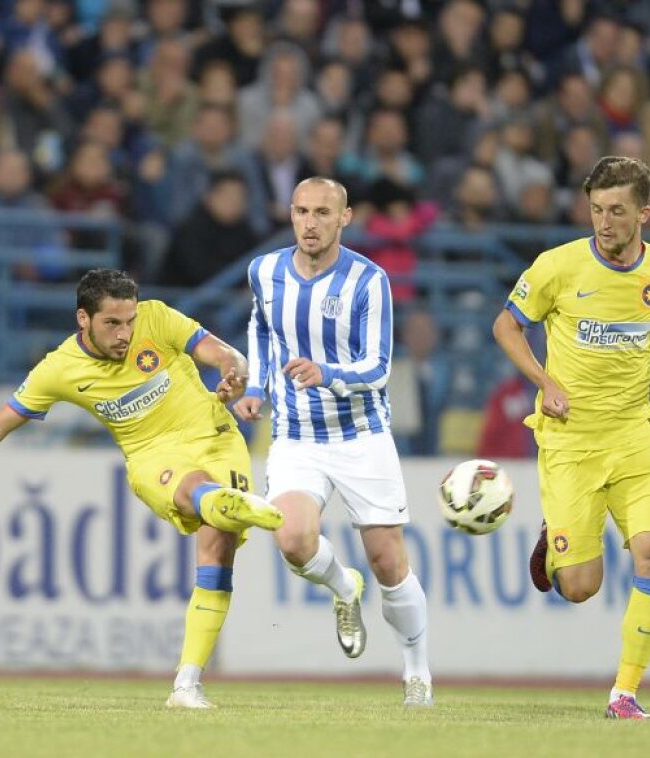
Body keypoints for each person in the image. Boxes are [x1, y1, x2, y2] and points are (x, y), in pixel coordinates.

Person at [0, 269, 284, 710]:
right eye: (112, 323)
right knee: (204, 502)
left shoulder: (158, 318)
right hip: (151, 455)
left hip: (214, 435)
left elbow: (224, 354)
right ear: (83, 319)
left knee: (219, 543)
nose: (125, 332)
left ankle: (187, 683)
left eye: (129, 321)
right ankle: (227, 513)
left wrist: (233, 371)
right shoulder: (59, 369)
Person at [492, 157, 650, 720]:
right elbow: (506, 325)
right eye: (595, 210)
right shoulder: (558, 267)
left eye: (615, 211)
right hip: (569, 442)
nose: (603, 222)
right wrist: (544, 380)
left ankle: (625, 692)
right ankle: (554, 538)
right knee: (581, 587)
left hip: (636, 435)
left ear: (644, 213)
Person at [232, 177, 434, 707]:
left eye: (323, 212)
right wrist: (257, 386)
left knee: (389, 562)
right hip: (296, 436)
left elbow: (379, 367)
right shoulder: (265, 270)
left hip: (361, 435)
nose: (310, 222)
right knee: (293, 540)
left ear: (345, 218)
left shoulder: (370, 280)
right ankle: (344, 588)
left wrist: (327, 373)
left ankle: (417, 673)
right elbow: (261, 326)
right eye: (301, 211)